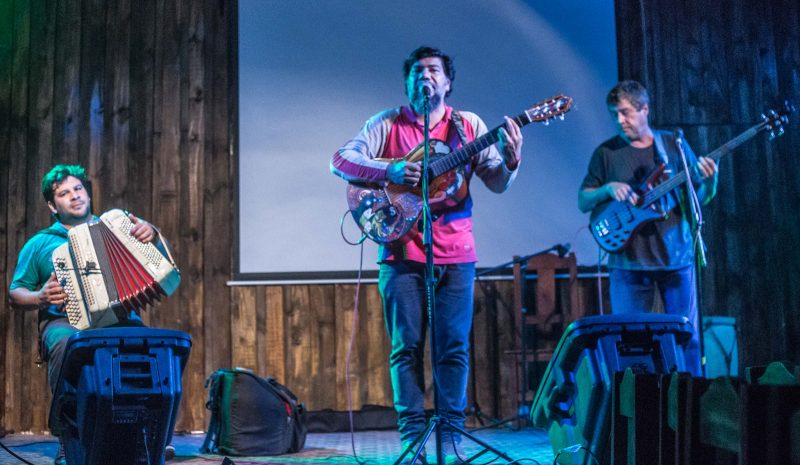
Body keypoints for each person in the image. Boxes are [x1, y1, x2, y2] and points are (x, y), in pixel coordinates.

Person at [330, 46, 523, 462]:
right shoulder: (386, 123)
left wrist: (512, 161)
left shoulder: (468, 126)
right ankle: (413, 440)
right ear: (408, 83)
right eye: (418, 70)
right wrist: (390, 172)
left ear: (448, 82)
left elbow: (497, 183)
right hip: (400, 252)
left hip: (456, 253)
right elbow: (340, 160)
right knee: (406, 348)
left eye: (434, 70)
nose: (426, 76)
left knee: (453, 347)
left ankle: (451, 438)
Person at [8, 164, 171, 464]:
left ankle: (151, 437)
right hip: (64, 321)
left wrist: (155, 235)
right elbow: (15, 293)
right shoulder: (41, 243)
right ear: (51, 205)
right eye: (63, 193)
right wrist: (39, 297)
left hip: (122, 319)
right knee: (69, 344)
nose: (74, 196)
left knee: (162, 348)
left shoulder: (119, 226)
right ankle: (68, 438)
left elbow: (159, 261)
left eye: (78, 189)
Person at [578, 80, 718, 374]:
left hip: (676, 258)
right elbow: (583, 200)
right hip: (628, 264)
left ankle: (691, 404)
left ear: (645, 109)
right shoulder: (607, 153)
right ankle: (638, 408)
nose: (620, 121)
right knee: (629, 342)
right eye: (615, 114)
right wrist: (609, 189)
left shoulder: (673, 146)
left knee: (688, 339)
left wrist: (710, 180)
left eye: (626, 113)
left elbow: (699, 199)